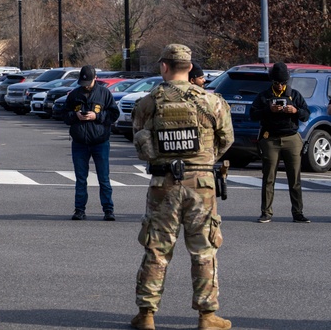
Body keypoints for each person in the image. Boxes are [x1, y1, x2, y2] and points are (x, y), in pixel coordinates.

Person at [130, 44, 234, 330]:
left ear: (164, 67)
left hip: (163, 185)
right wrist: (202, 161)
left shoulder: (148, 102)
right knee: (204, 250)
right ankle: (207, 316)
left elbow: (139, 139)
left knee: (157, 250)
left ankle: (147, 314)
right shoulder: (212, 102)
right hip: (201, 185)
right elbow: (226, 140)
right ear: (190, 68)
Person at [249, 62, 310, 224]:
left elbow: (306, 115)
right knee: (269, 177)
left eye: (283, 83)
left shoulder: (295, 95)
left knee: (295, 177)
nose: (280, 86)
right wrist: (269, 110)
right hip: (270, 139)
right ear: (272, 81)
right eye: (277, 83)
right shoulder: (264, 96)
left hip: (291, 138)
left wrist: (295, 111)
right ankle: (266, 212)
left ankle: (298, 212)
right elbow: (253, 115)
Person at [64, 65, 119, 221]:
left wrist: (97, 116)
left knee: (104, 178)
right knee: (81, 179)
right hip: (79, 142)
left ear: (95, 78)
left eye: (88, 82)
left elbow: (114, 114)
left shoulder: (104, 93)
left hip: (100, 141)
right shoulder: (74, 94)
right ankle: (79, 210)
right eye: (83, 82)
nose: (85, 85)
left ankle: (108, 210)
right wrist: (75, 115)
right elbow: (64, 115)